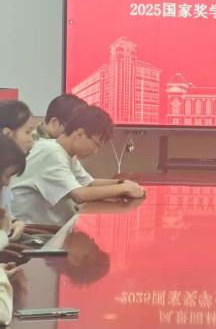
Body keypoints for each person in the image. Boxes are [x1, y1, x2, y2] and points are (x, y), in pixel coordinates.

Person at [10, 105, 145, 225]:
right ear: (79, 133)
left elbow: (89, 183)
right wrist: (123, 189)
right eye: (96, 144)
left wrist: (122, 183)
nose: (96, 151)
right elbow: (79, 195)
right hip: (33, 233)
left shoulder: (65, 153)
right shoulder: (51, 152)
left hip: (53, 229)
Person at [0, 101, 36, 244]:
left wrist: (15, 222)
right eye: (27, 132)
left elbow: (5, 215)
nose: (31, 139)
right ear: (7, 134)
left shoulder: (8, 166)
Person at [0, 136, 27, 254]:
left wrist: (15, 222)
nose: (7, 183)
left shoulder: (3, 188)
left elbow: (7, 215)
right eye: (7, 176)